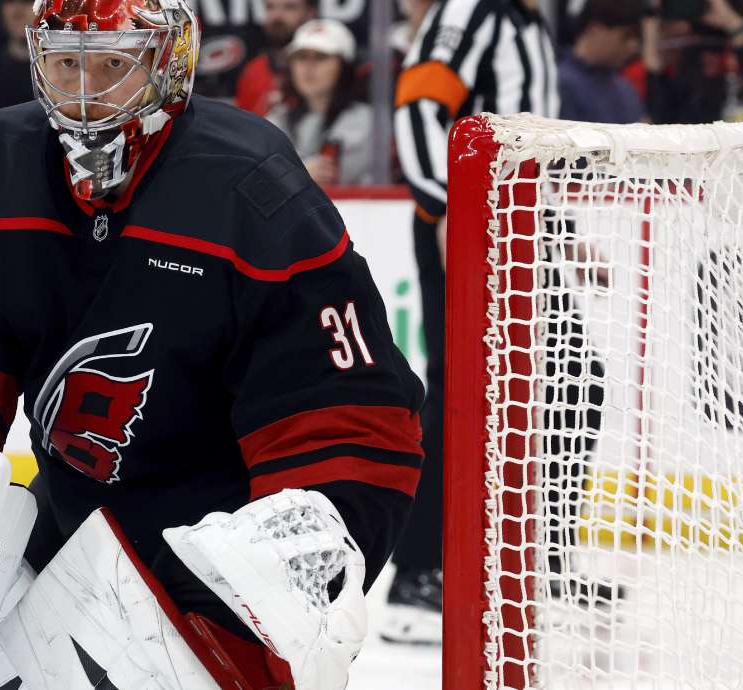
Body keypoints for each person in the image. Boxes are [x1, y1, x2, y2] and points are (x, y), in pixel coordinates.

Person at [0, 0, 424, 684]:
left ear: (169, 64)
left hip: (225, 542)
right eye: (67, 63)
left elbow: (351, 421)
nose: (87, 92)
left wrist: (281, 582)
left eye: (113, 64)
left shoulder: (251, 189)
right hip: (72, 525)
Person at [391, 0, 558, 646]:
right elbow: (419, 106)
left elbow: (535, 140)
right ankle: (416, 573)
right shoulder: (473, 9)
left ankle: (547, 565)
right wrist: (449, 206)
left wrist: (560, 233)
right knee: (462, 388)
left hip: (521, 225)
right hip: (472, 223)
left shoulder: (526, 22)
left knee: (576, 380)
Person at [266, 19, 372, 187]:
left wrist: (290, 174)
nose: (308, 67)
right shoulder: (276, 118)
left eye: (320, 57)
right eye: (301, 57)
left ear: (344, 67)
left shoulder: (368, 120)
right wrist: (302, 173)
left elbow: (333, 176)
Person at [559, 0, 646, 124]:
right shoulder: (560, 82)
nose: (633, 46)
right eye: (626, 35)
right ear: (594, 30)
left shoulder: (623, 87)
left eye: (637, 38)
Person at [235, 0, 317, 116]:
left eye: (289, 7)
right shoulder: (254, 70)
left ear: (311, 13)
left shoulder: (326, 69)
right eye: (270, 7)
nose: (277, 16)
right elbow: (242, 126)